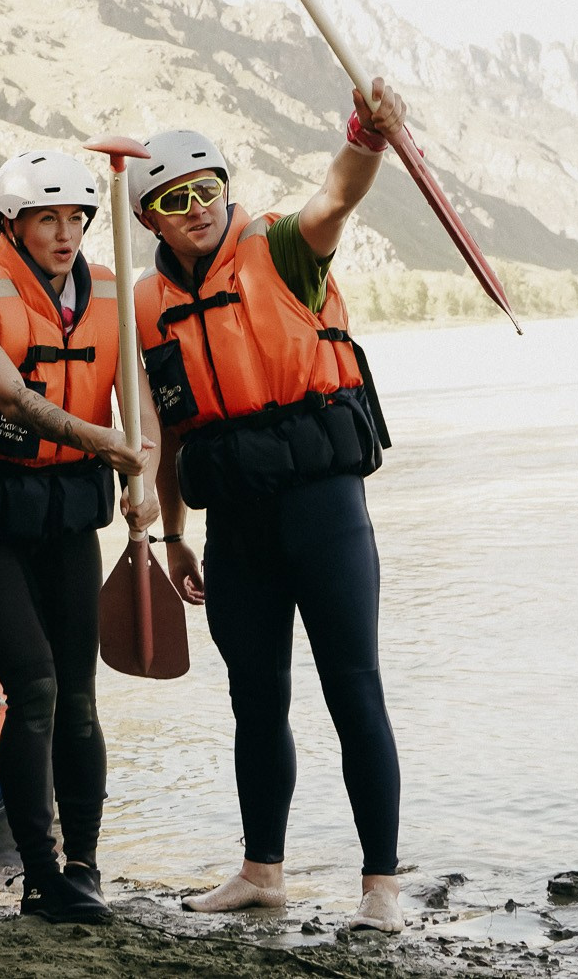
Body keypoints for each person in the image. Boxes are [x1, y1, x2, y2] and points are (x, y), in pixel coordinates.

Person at [131, 91, 408, 935]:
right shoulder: (146, 306)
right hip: (237, 528)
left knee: (353, 690)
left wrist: (365, 136)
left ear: (225, 188)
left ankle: (383, 887)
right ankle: (263, 872)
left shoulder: (285, 250)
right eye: (174, 200)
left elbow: (338, 195)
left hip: (325, 508)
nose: (197, 209)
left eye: (207, 188)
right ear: (151, 217)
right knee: (256, 700)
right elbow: (174, 435)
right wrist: (174, 535)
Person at [0, 151, 157, 926]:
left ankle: (84, 865)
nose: (66, 235)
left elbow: (137, 396)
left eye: (76, 219)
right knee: (34, 688)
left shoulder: (105, 297)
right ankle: (38, 877)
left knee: (80, 700)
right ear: (11, 225)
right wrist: (105, 442)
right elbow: (8, 393)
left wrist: (147, 473)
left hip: (66, 515)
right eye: (47, 220)